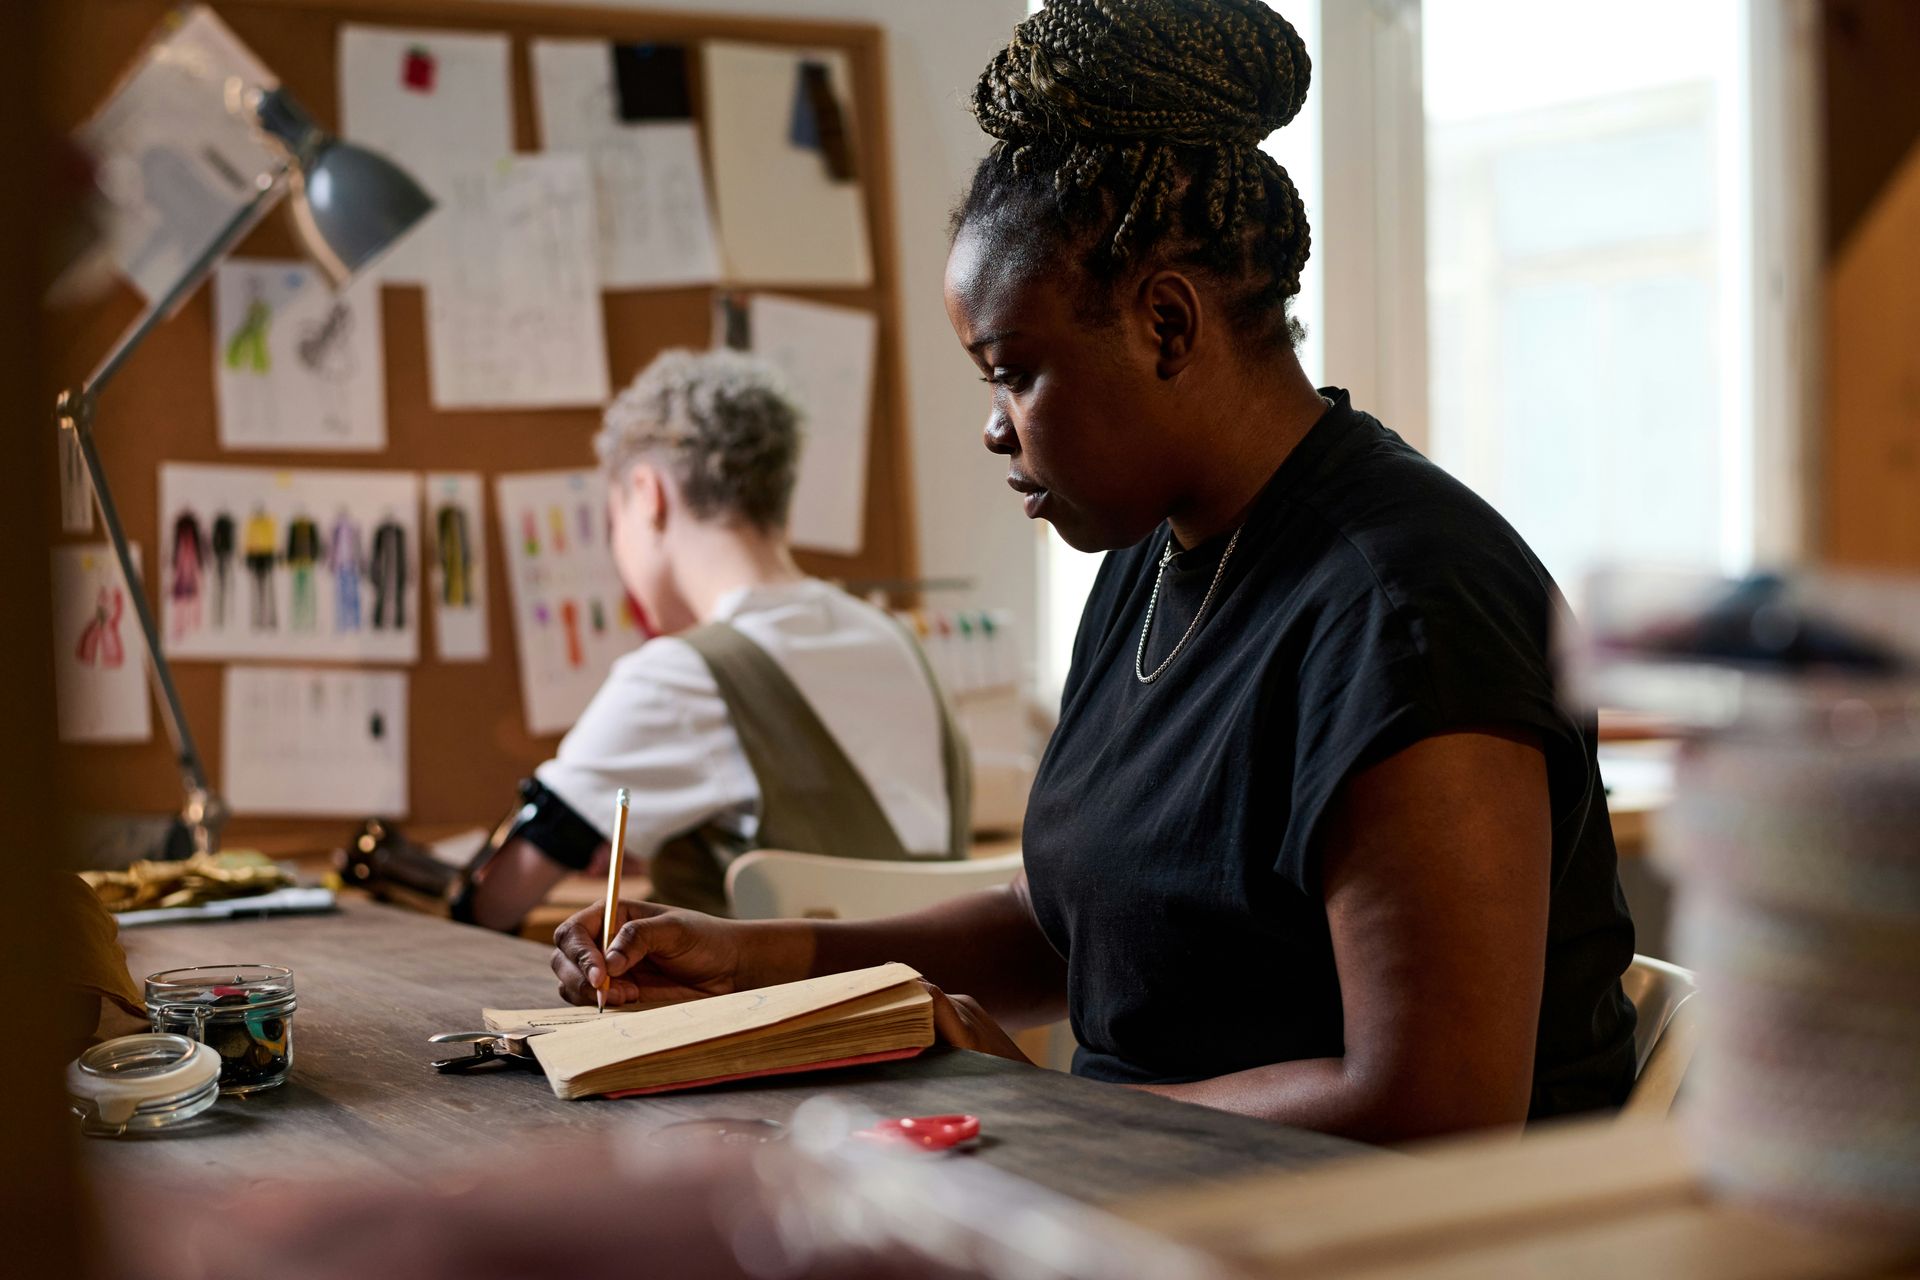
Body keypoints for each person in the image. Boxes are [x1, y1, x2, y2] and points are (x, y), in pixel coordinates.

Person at [552, 0, 1637, 1142]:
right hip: (1140, 1193)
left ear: (1167, 324)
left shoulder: (1407, 604)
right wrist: (749, 958)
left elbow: (1434, 1110)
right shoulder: (1151, 558)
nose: (993, 427)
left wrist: (1041, 1108)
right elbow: (1065, 921)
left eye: (1014, 371)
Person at [461, 350, 969, 932]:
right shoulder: (899, 642)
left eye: (614, 518)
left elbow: (491, 905)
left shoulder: (682, 676)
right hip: (935, 1013)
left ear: (648, 495)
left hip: (771, 1020)